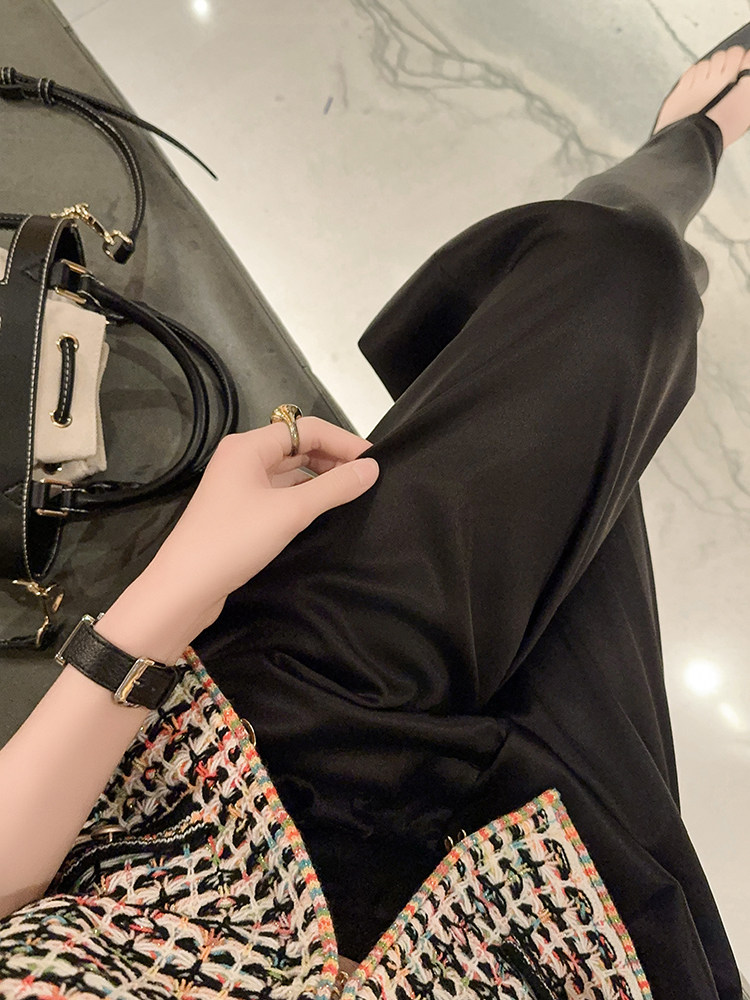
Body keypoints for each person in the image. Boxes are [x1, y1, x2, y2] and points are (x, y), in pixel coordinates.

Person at [0, 25, 747, 1000]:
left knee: (616, 278)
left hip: (239, 790)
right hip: (578, 946)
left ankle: (691, 145)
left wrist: (171, 588)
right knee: (593, 422)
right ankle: (650, 196)